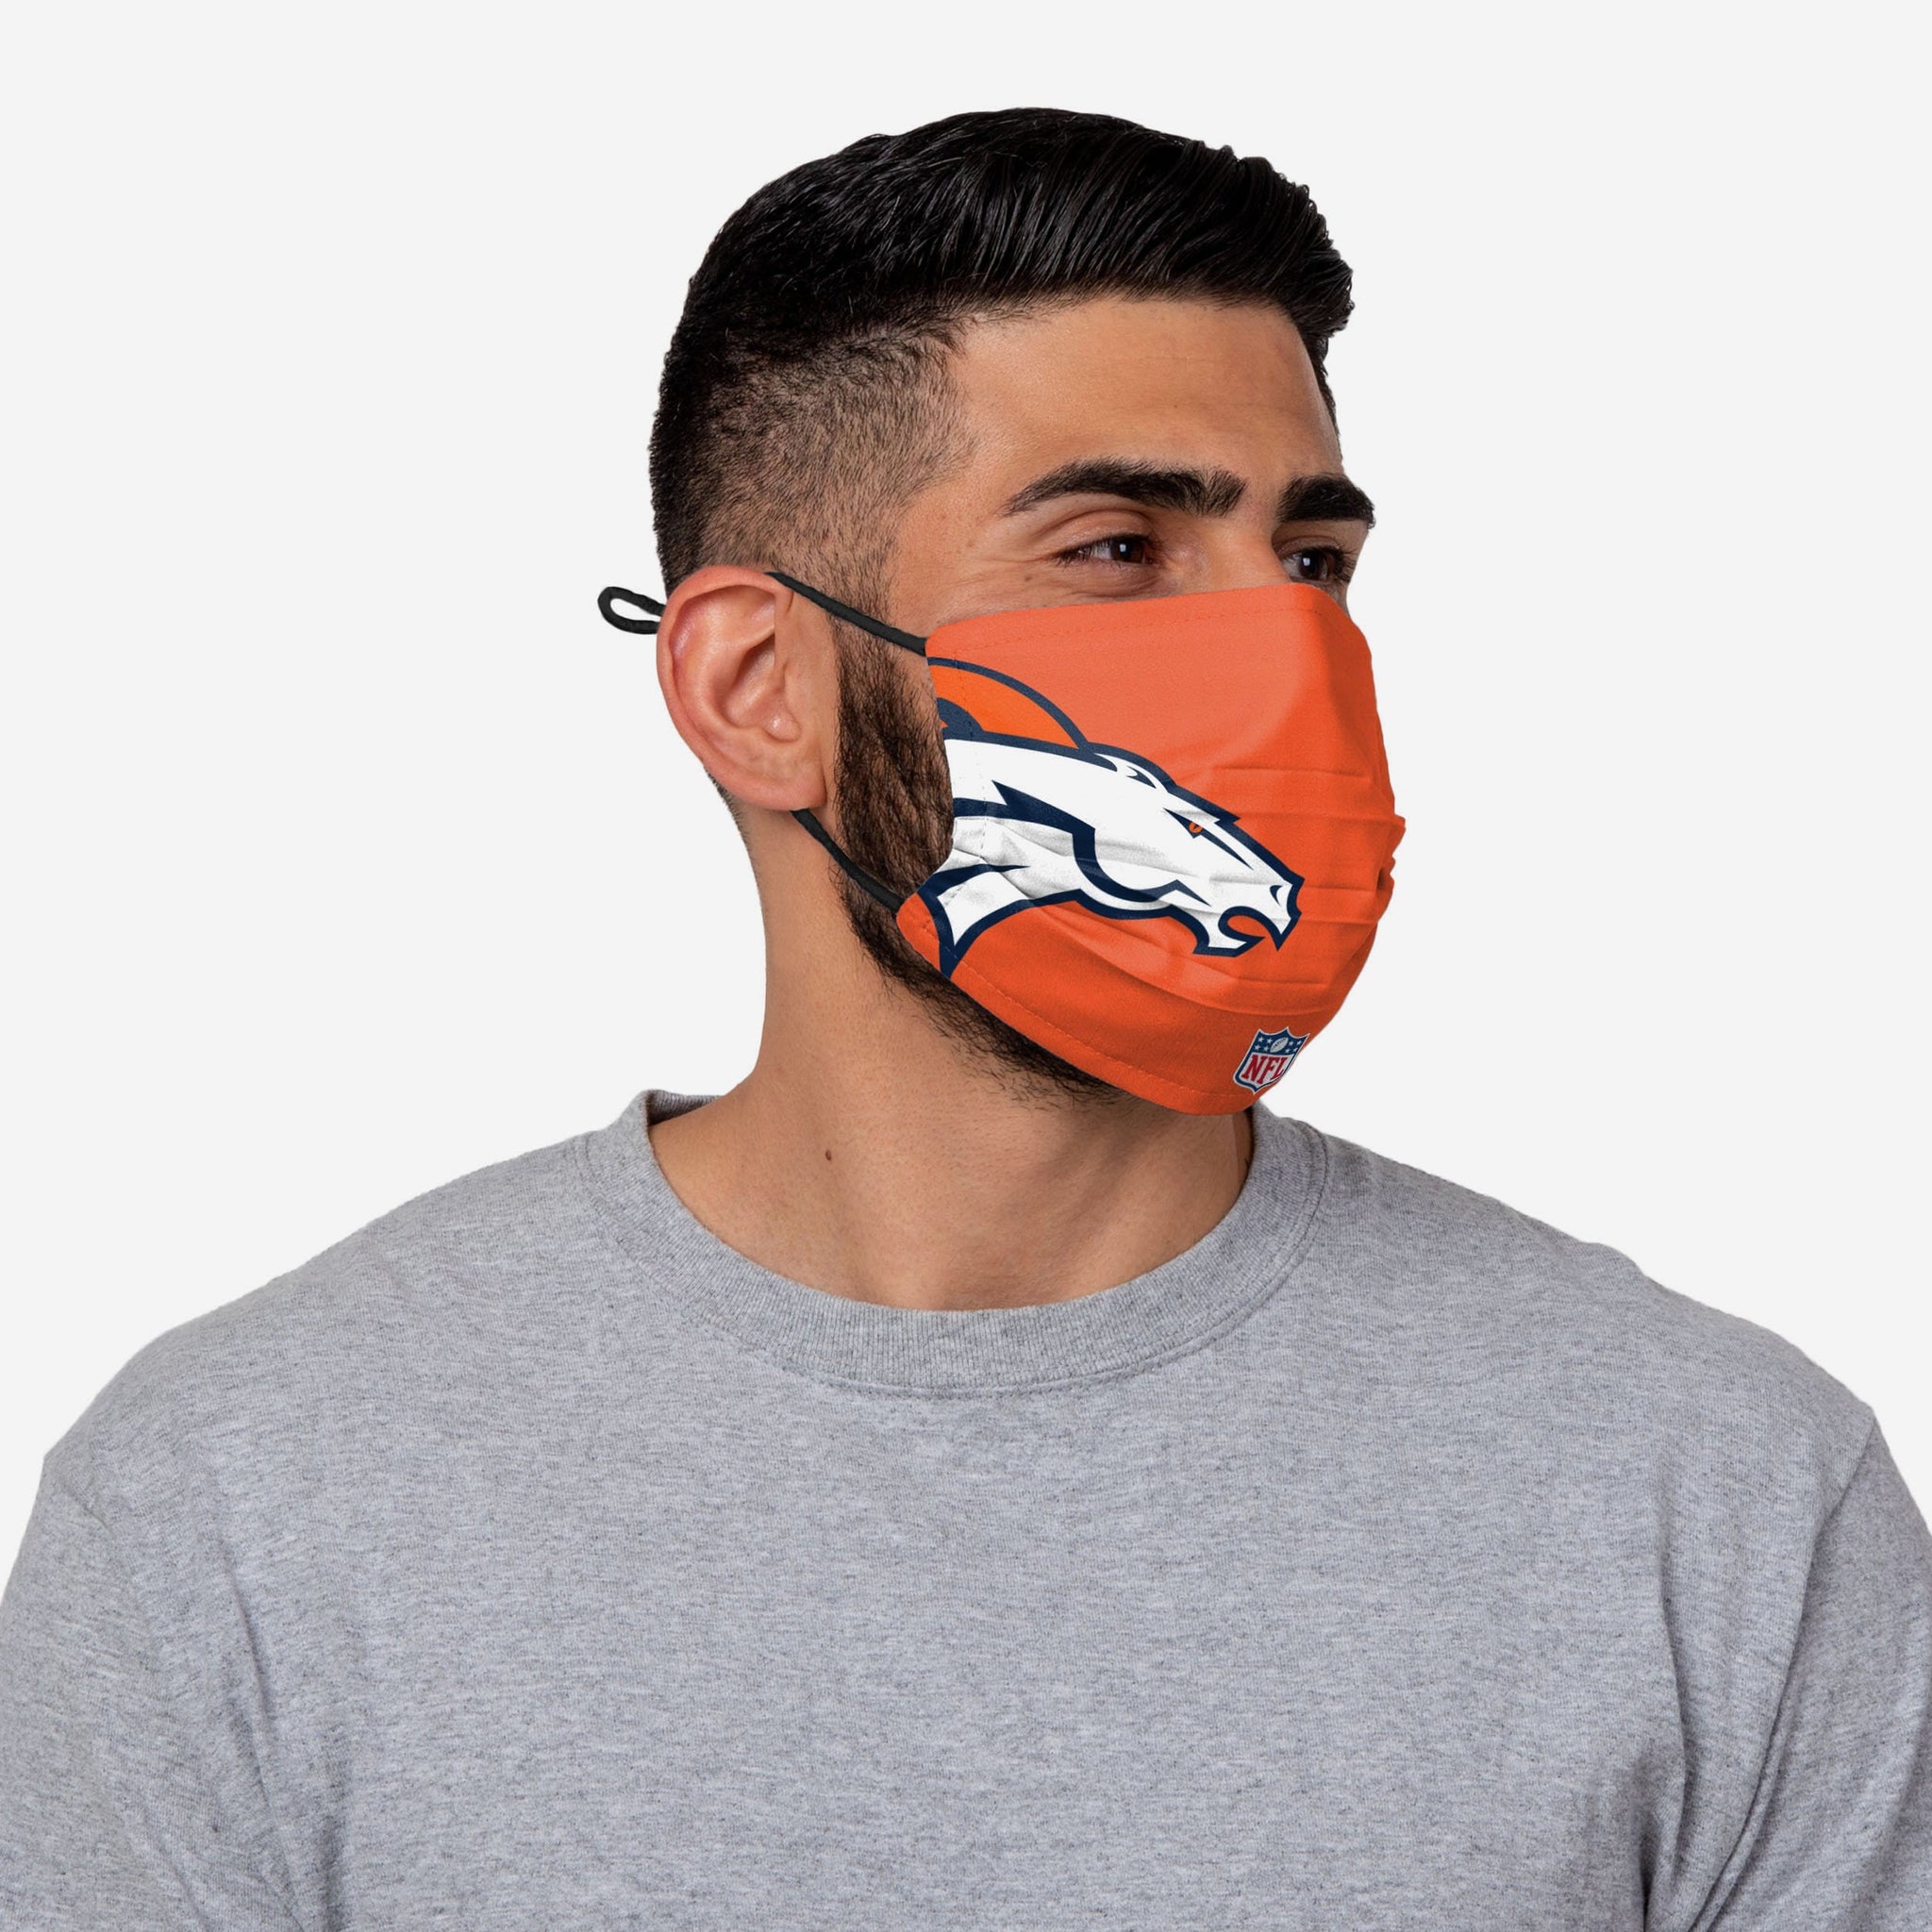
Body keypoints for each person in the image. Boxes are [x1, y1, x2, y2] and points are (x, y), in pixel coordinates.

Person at [2, 107, 1927, 1930]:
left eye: (1312, 565)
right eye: (1117, 550)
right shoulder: (233, 1511)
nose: (1282, 661)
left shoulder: (1724, 1504)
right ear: (759, 688)